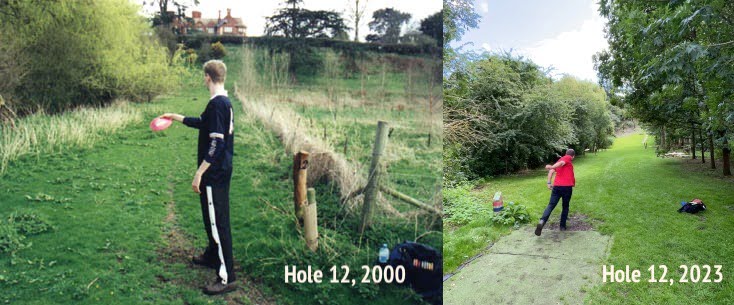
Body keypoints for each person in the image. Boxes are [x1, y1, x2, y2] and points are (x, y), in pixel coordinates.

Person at [158, 59, 237, 294]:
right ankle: (213, 255)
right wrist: (176, 116)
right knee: (209, 215)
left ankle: (227, 277)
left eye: (204, 77)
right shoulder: (222, 102)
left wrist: (199, 173)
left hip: (215, 174)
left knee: (217, 222)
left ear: (207, 77)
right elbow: (204, 124)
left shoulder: (218, 105)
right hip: (219, 170)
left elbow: (216, 143)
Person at [535, 149, 575, 236]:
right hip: (566, 188)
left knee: (551, 205)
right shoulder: (567, 158)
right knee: (565, 206)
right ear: (573, 156)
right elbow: (557, 166)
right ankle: (562, 226)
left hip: (557, 187)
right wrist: (552, 167)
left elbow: (551, 172)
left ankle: (542, 221)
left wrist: (549, 182)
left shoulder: (560, 160)